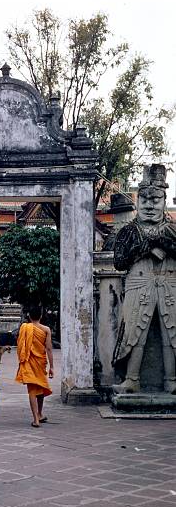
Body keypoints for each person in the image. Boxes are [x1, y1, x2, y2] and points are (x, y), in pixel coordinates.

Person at [112, 164, 176, 394]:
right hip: (139, 283)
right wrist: (148, 245)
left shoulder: (172, 230)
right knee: (134, 333)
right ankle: (132, 379)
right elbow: (119, 261)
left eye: (155, 200)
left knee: (172, 333)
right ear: (138, 202)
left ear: (164, 200)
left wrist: (163, 241)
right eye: (145, 200)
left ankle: (171, 380)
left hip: (169, 283)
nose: (149, 205)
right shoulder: (128, 231)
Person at [16, 305, 53, 427]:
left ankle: (36, 418)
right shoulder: (46, 329)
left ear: (29, 316)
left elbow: (20, 345)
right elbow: (48, 349)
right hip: (40, 362)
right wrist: (52, 366)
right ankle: (40, 413)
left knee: (32, 390)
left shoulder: (24, 327)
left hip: (28, 361)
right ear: (41, 316)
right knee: (41, 387)